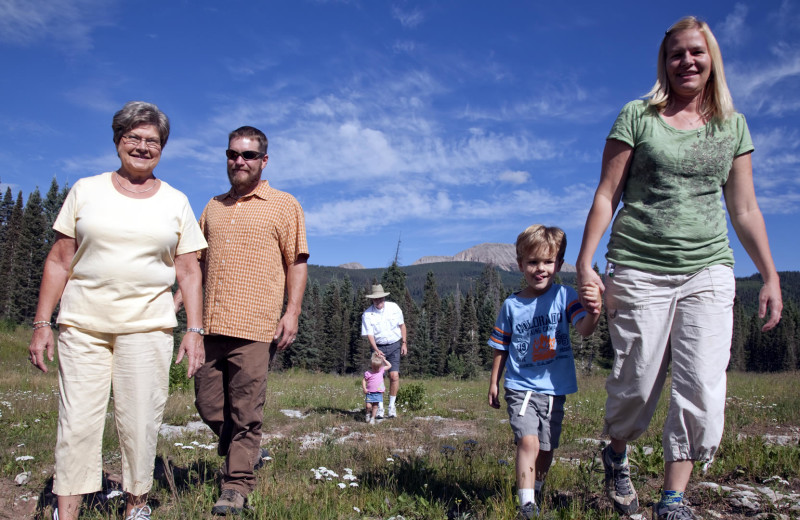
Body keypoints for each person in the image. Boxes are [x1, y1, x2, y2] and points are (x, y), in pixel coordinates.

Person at [575, 16, 783, 520]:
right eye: (676, 54)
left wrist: (770, 275)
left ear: (712, 60)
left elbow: (745, 209)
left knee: (702, 387)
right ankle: (617, 451)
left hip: (709, 268)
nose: (687, 61)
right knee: (637, 384)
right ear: (664, 63)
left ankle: (673, 499)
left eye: (697, 52)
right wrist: (585, 262)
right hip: (639, 266)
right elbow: (607, 194)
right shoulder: (637, 116)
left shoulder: (732, 126)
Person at [27, 101, 207, 520]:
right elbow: (58, 260)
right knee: (77, 424)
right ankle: (65, 511)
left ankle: (136, 506)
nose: (143, 147)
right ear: (117, 141)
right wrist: (42, 322)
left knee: (141, 422)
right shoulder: (86, 191)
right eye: (134, 138)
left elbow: (189, 270)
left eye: (153, 141)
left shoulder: (176, 201)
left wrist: (194, 330)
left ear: (162, 147)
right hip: (82, 325)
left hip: (148, 328)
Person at [190, 125, 309, 516]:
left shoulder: (283, 204)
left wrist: (291, 312)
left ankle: (236, 486)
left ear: (263, 160)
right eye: (232, 154)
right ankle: (249, 450)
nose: (239, 161)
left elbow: (297, 262)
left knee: (245, 411)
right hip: (209, 324)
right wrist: (178, 301)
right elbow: (198, 265)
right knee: (208, 406)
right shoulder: (212, 205)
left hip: (256, 328)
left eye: (248, 155)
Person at [488, 225, 602, 519]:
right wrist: (494, 383)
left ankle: (536, 489)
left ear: (559, 264)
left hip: (555, 387)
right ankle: (525, 505)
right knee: (529, 440)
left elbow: (585, 330)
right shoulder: (512, 305)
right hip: (521, 385)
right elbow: (501, 345)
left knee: (548, 448)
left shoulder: (565, 295)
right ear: (520, 265)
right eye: (533, 262)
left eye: (548, 262)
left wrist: (594, 312)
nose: (541, 269)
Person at [361, 284, 407, 418]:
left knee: (394, 376)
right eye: (375, 299)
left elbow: (402, 325)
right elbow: (370, 334)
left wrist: (404, 343)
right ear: (372, 300)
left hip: (394, 345)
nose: (378, 301)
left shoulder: (394, 308)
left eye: (380, 298)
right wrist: (376, 350)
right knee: (377, 378)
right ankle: (379, 408)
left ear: (384, 298)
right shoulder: (367, 314)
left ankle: (391, 407)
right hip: (378, 347)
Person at [362, 351, 392, 425]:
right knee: (368, 406)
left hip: (378, 392)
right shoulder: (368, 373)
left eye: (377, 367)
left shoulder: (381, 370)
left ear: (380, 366)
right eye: (374, 367)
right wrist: (364, 388)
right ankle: (367, 414)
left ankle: (372, 418)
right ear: (371, 365)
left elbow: (389, 366)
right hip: (369, 392)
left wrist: (383, 359)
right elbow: (364, 380)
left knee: (375, 406)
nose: (376, 369)